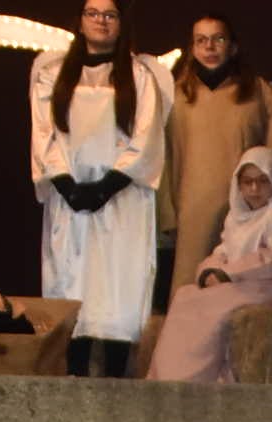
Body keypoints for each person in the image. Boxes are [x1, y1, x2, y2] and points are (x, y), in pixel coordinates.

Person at [31, 0, 169, 378]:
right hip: (70, 198)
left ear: (121, 23)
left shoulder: (140, 76)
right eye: (93, 13)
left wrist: (108, 186)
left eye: (110, 15)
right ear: (80, 21)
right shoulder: (53, 74)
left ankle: (113, 375)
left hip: (121, 199)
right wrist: (66, 184)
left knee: (118, 283)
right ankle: (74, 369)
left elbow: (147, 135)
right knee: (73, 280)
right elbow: (44, 132)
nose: (101, 22)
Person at [147, 148, 272, 383]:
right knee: (185, 295)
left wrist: (229, 274)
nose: (254, 189)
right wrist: (208, 272)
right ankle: (165, 377)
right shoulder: (237, 217)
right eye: (247, 182)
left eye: (262, 181)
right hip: (238, 283)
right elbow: (223, 251)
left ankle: (189, 378)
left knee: (210, 305)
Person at [158, 12, 272, 288]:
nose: (209, 47)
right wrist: (167, 213)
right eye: (201, 40)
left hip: (250, 208)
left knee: (240, 283)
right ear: (192, 48)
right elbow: (163, 156)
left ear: (232, 46)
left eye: (218, 39)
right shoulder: (177, 95)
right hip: (194, 208)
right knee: (192, 287)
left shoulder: (257, 91)